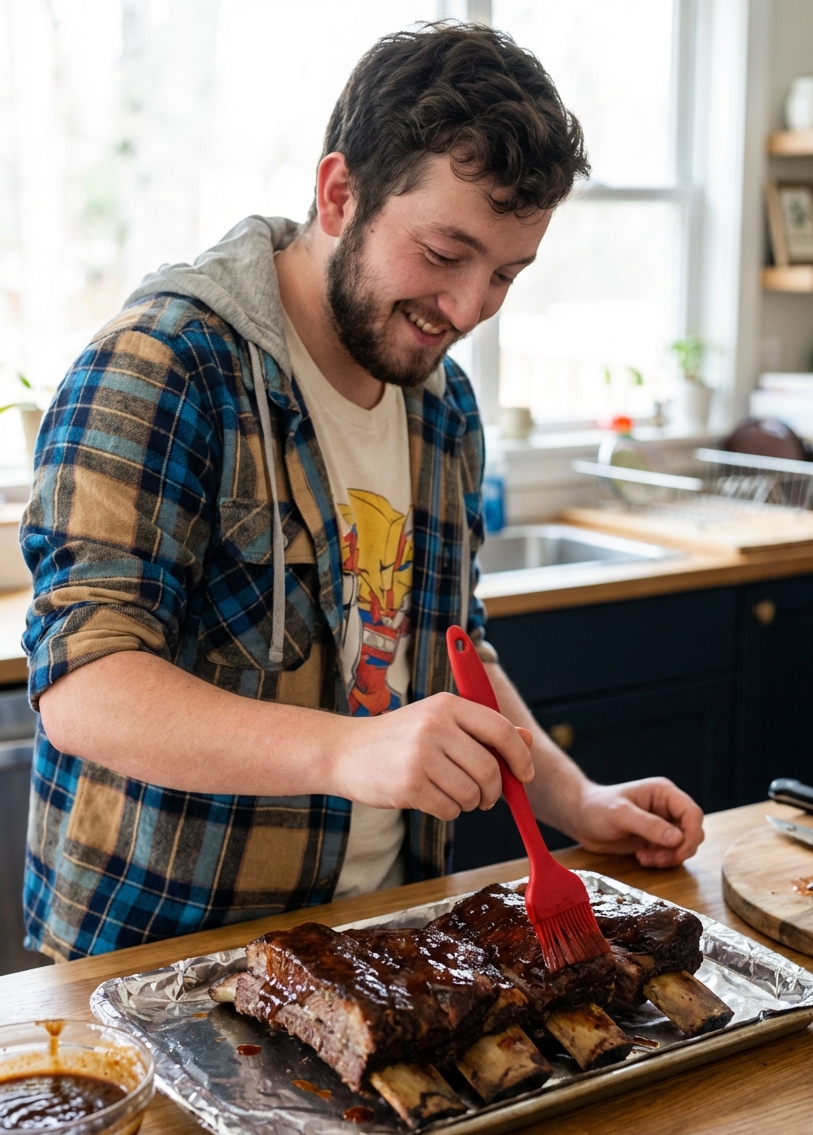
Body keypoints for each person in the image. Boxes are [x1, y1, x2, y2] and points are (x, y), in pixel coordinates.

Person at [21, 23, 703, 961]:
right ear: (340, 192)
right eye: (444, 252)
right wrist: (349, 751)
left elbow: (453, 650)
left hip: (384, 941)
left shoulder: (442, 402)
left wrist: (575, 798)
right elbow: (85, 687)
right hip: (167, 958)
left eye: (506, 273)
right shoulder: (165, 365)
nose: (467, 309)